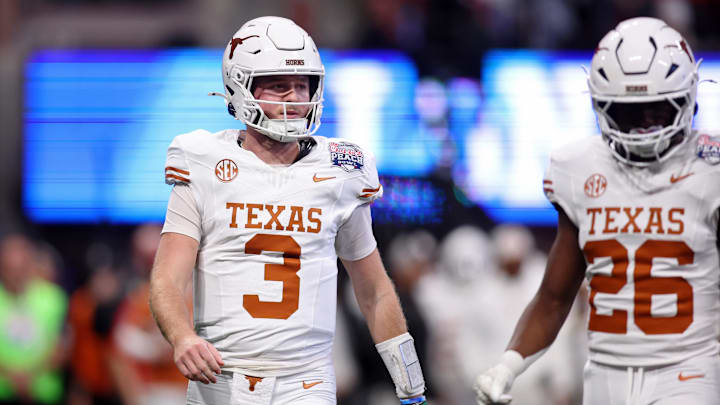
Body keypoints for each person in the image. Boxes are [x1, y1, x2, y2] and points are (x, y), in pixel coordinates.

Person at [149, 16, 427, 405]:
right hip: (221, 378)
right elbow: (167, 279)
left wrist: (411, 385)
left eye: (302, 85)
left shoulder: (340, 171)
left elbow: (374, 290)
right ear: (239, 86)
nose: (295, 97)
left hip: (306, 383)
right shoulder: (202, 162)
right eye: (279, 85)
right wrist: (182, 337)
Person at [474, 17, 720, 405]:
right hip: (604, 376)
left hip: (689, 372)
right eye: (629, 114)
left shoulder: (711, 167)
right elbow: (554, 296)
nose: (644, 129)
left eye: (656, 111)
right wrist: (508, 365)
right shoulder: (579, 168)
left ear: (688, 98)